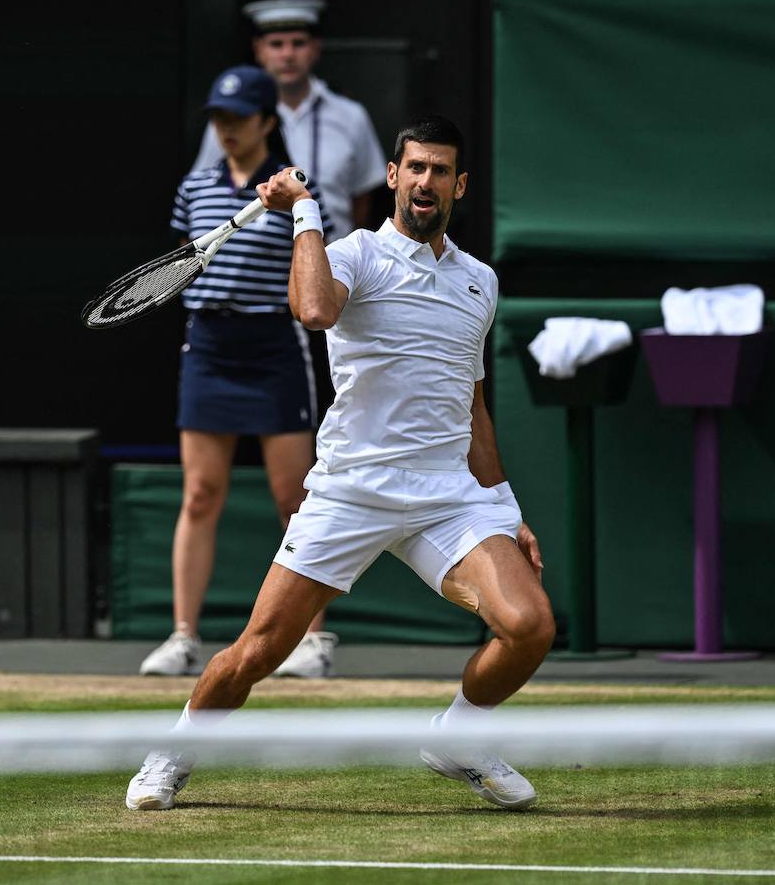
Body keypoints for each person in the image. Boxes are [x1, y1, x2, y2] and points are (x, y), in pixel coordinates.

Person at [127, 115, 554, 813]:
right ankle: (173, 751)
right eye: (414, 168)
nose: (425, 181)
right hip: (352, 491)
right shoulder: (352, 253)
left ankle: (458, 737)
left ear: (460, 185)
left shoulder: (481, 281)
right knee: (257, 652)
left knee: (531, 623)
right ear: (393, 176)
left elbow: (472, 408)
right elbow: (315, 309)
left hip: (448, 497)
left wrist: (506, 510)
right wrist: (303, 213)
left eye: (440, 170)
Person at [137, 65, 340, 680]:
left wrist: (294, 203)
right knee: (199, 494)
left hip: (273, 348)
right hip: (209, 349)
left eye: (239, 119)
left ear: (266, 124)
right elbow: (178, 265)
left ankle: (314, 640)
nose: (227, 130)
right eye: (219, 119)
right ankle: (182, 637)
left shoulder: (298, 194)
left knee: (294, 499)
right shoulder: (194, 188)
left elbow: (312, 268)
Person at [190, 0, 385, 235]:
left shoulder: (351, 115)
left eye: (298, 43)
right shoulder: (232, 118)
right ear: (258, 49)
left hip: (332, 258)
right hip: (255, 257)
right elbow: (204, 190)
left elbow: (362, 198)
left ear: (315, 48)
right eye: (276, 44)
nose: (288, 54)